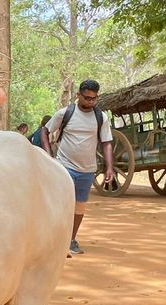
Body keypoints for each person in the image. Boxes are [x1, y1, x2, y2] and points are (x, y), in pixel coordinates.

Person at [40, 79, 114, 256]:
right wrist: (49, 157)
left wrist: (110, 168)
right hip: (64, 166)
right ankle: (57, 240)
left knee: (79, 206)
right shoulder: (65, 113)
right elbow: (45, 131)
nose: (90, 101)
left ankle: (71, 239)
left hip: (87, 170)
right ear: (78, 95)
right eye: (87, 97)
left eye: (93, 99)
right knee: (61, 204)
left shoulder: (101, 118)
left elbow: (107, 143)